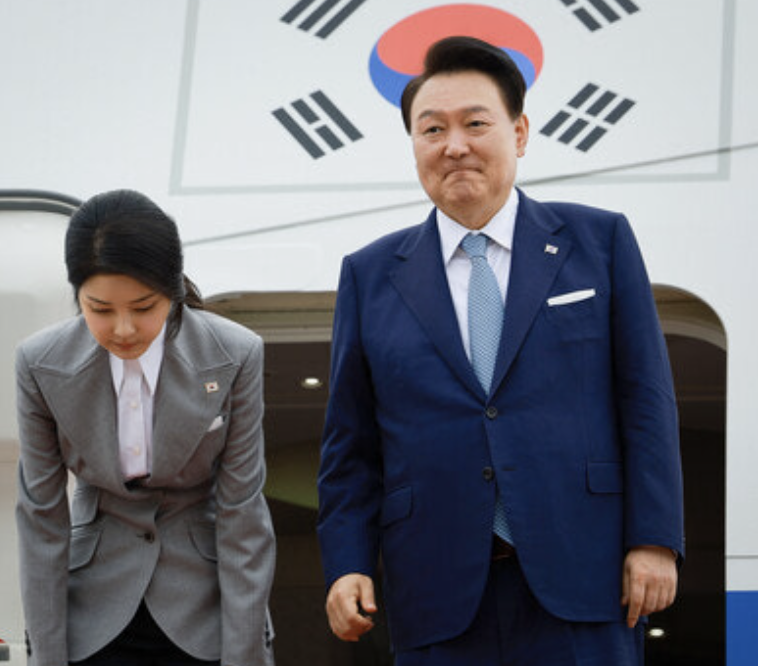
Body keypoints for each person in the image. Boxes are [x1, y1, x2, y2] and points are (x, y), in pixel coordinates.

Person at [317, 36, 684, 665]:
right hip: (435, 590)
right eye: (432, 129)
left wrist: (654, 539)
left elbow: (645, 401)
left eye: (475, 123)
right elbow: (350, 444)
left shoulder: (599, 241)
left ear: (519, 133)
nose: (454, 145)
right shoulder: (369, 274)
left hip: (586, 574)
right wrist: (347, 563)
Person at [15, 190, 276, 666]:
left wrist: (244, 656)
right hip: (91, 611)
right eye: (100, 309)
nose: (123, 329)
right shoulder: (40, 363)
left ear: (172, 291)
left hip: (206, 609)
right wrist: (47, 657)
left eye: (143, 307)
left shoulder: (235, 353)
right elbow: (41, 519)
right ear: (77, 295)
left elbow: (243, 511)